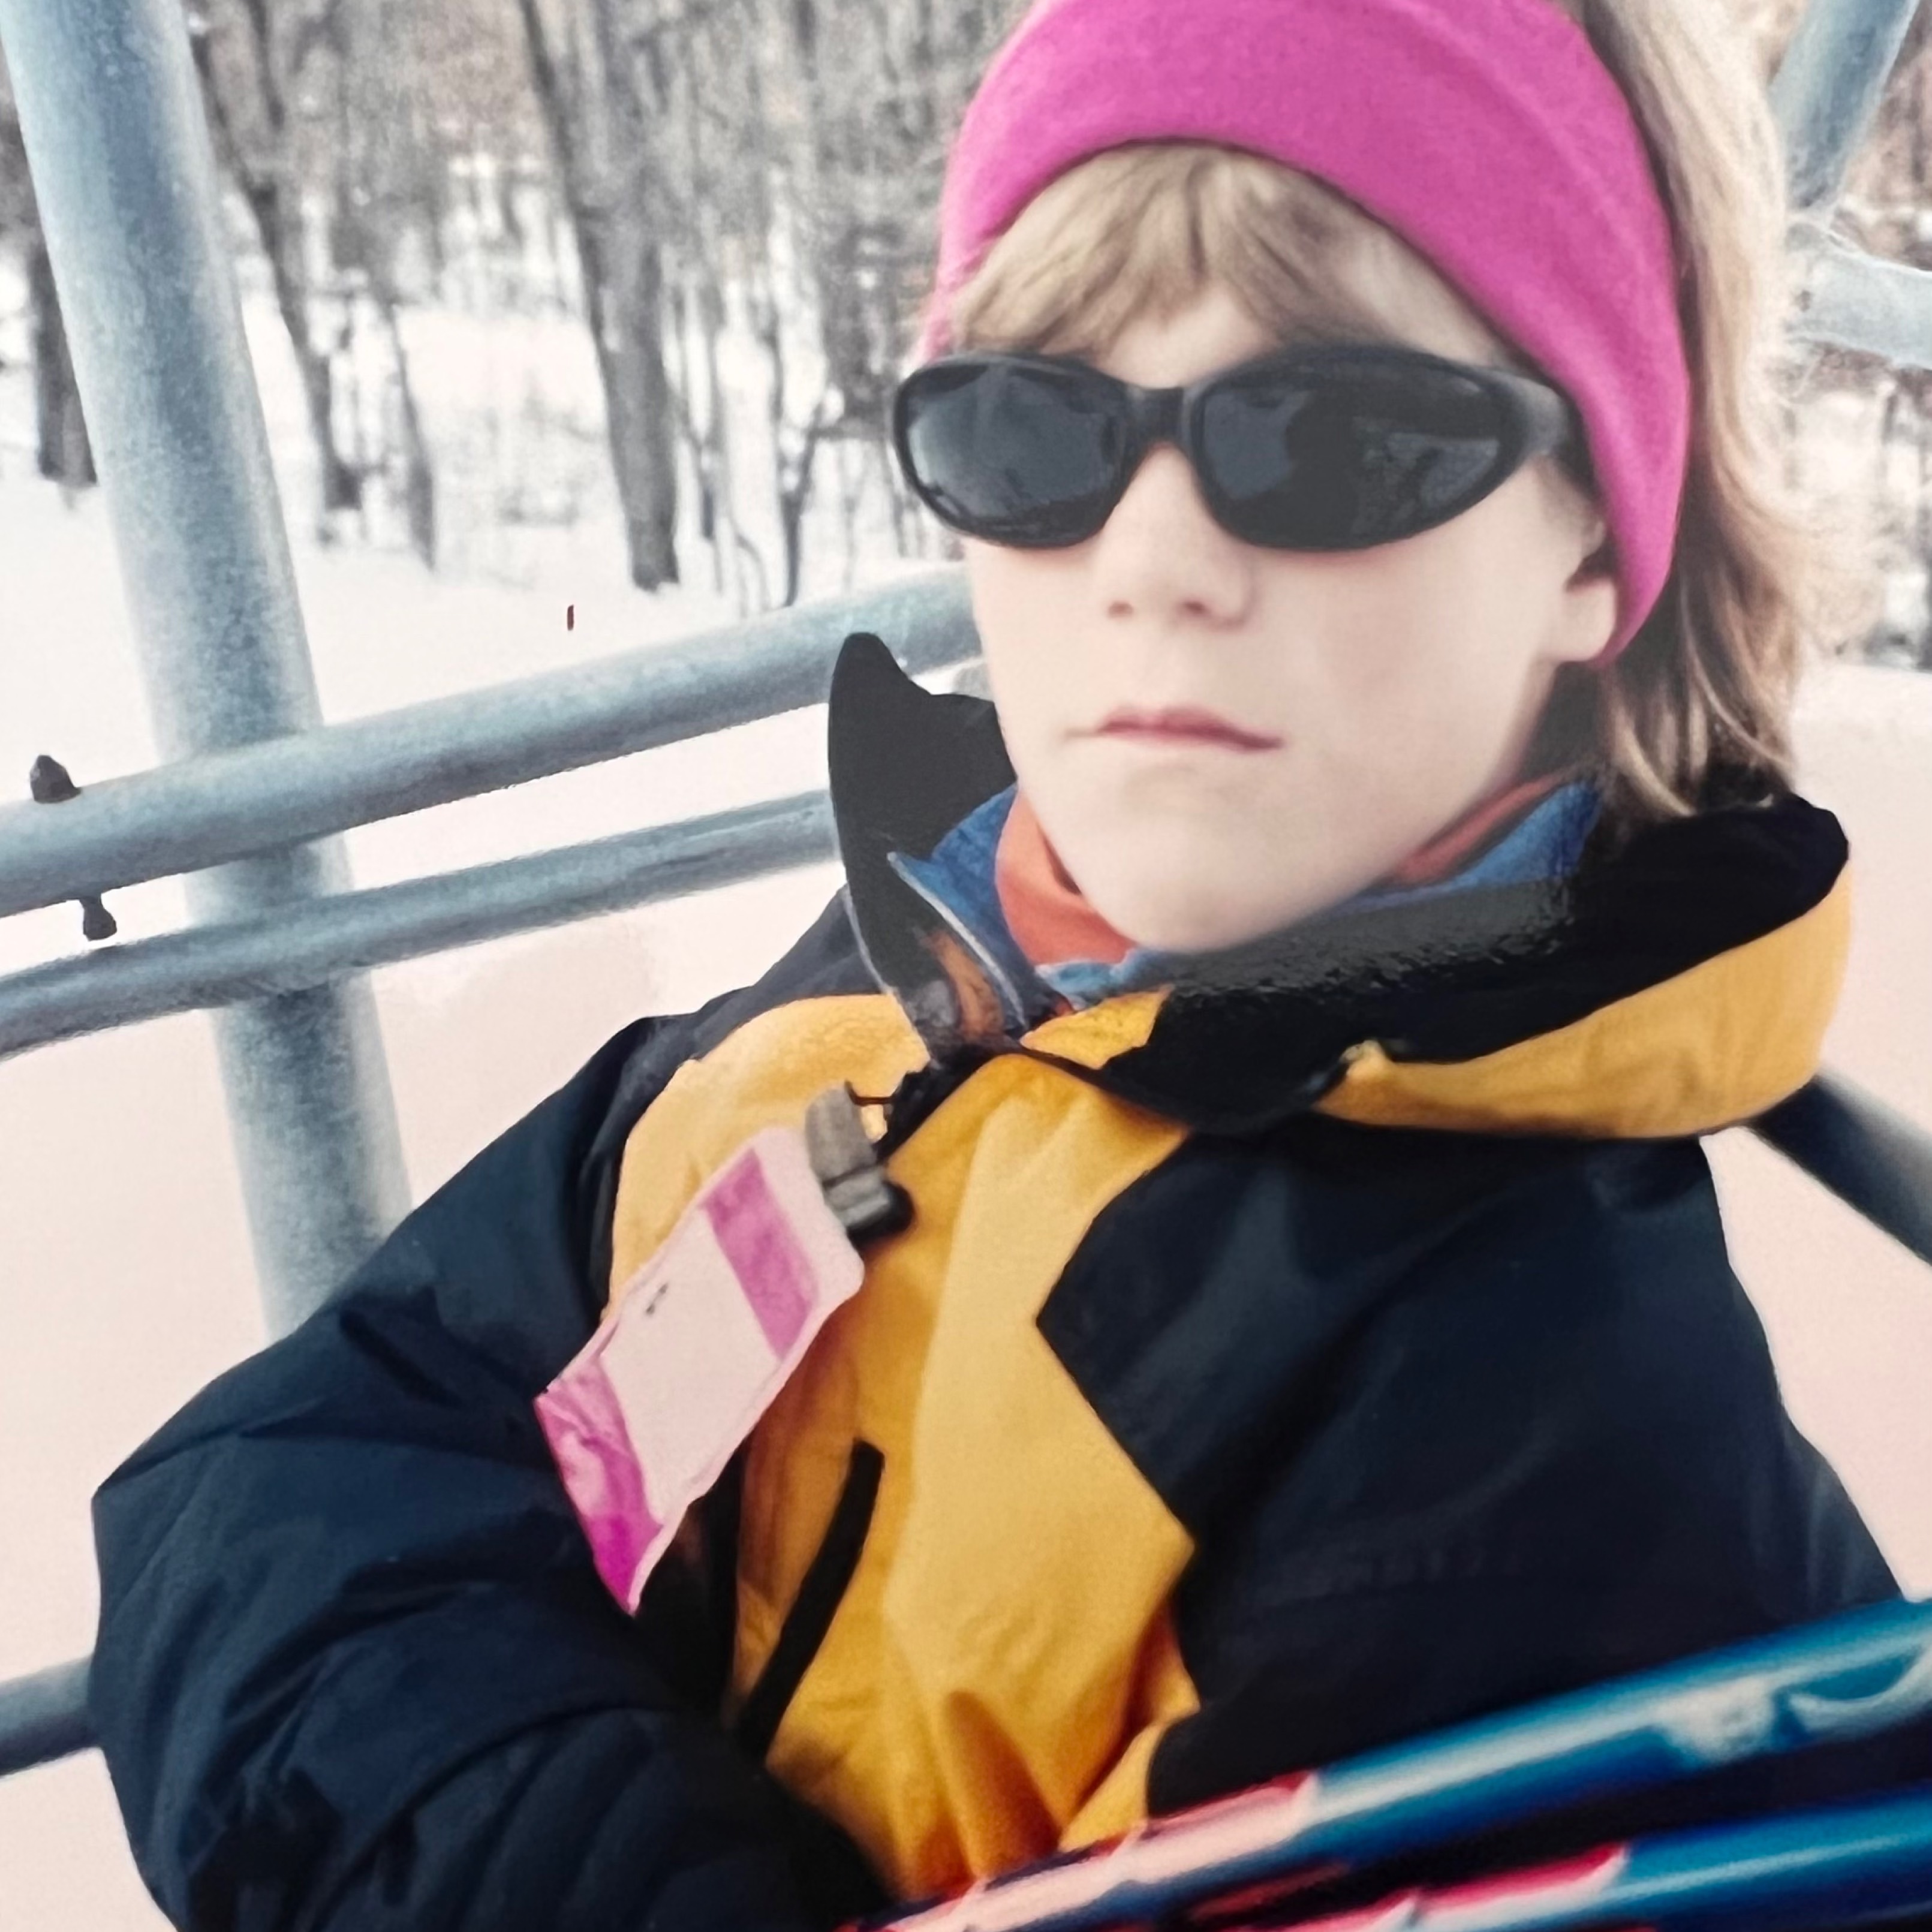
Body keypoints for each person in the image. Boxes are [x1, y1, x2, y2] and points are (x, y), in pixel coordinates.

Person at [89, 1, 1900, 1927]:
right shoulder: (925, 978)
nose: (1153, 555)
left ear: (1598, 549)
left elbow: (331, 1570)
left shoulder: (1523, 1453)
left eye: (1337, 436)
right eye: (1035, 432)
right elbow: (258, 1485)